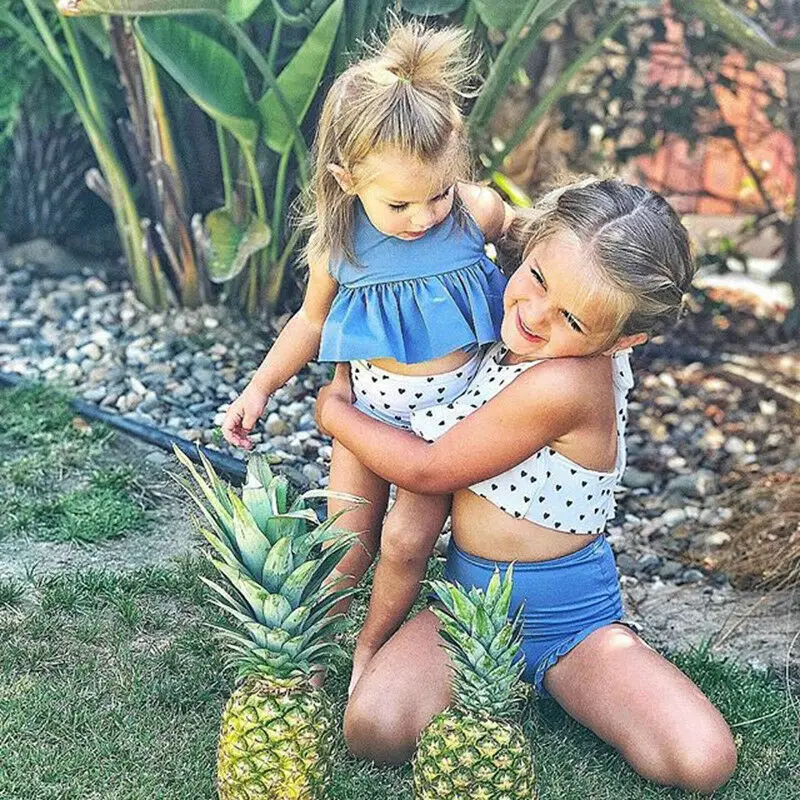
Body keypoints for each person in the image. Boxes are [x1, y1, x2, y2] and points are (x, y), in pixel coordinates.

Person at [315, 177, 738, 794]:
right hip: (468, 606)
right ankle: (494, 683)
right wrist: (419, 184)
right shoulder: (510, 309)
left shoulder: (569, 384)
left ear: (624, 341)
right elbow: (465, 200)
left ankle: (570, 677)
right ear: (531, 247)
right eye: (538, 278)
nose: (535, 314)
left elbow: (430, 470)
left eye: (570, 316)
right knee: (374, 730)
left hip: (568, 620)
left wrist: (335, 413)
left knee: (701, 762)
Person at [221, 21, 513, 692]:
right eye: (400, 203)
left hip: (446, 429)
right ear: (347, 179)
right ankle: (321, 645)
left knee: (407, 544)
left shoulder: (473, 212)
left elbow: (532, 249)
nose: (423, 216)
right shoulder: (342, 244)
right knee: (346, 541)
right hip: (366, 419)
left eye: (438, 192)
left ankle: (370, 649)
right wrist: (260, 387)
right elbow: (309, 321)